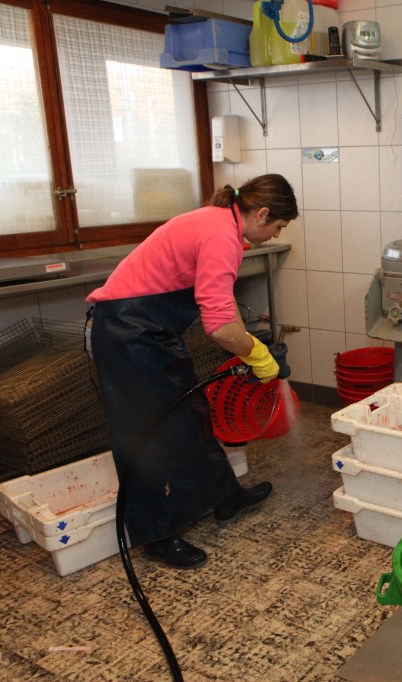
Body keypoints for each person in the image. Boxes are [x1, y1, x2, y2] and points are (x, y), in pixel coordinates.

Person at [86, 174, 298, 570]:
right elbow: (218, 328)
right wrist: (255, 352)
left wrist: (250, 346)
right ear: (262, 214)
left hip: (154, 331)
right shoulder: (220, 236)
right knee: (145, 435)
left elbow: (223, 307)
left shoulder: (221, 226)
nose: (275, 235)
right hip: (127, 333)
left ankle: (224, 497)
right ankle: (156, 536)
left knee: (191, 414)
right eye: (278, 226)